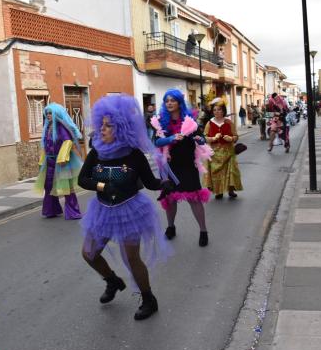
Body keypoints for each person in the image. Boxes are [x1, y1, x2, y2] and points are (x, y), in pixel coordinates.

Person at [78, 94, 175, 321]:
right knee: (89, 254)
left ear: (121, 128)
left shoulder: (134, 155)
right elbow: (82, 180)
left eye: (108, 126)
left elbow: (150, 182)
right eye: (101, 125)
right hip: (102, 210)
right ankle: (112, 281)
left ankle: (149, 299)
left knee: (131, 258)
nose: (102, 130)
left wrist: (164, 183)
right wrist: (103, 185)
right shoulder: (97, 152)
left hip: (129, 210)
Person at [153, 89, 211, 247]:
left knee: (194, 198)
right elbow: (157, 142)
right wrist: (171, 138)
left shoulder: (189, 120)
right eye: (167, 101)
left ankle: (203, 231)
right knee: (170, 199)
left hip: (187, 165)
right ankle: (171, 227)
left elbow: (201, 139)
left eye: (173, 100)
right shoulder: (161, 121)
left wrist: (200, 139)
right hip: (169, 166)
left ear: (179, 103)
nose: (169, 103)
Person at [35, 103, 83, 219]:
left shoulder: (61, 127)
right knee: (48, 186)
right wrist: (42, 159)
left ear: (57, 114)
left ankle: (73, 212)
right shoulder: (48, 127)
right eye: (47, 113)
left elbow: (67, 141)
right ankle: (52, 210)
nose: (48, 115)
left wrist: (62, 157)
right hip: (49, 161)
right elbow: (46, 145)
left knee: (66, 188)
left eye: (50, 113)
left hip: (62, 162)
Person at [204, 99, 243, 199]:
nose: (217, 112)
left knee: (230, 172)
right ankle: (218, 191)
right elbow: (204, 138)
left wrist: (231, 138)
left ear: (223, 111)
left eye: (219, 110)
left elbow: (236, 136)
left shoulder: (229, 122)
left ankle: (231, 190)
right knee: (216, 173)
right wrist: (213, 138)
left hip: (228, 151)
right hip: (215, 153)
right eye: (215, 110)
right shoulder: (209, 123)